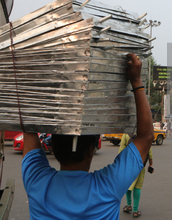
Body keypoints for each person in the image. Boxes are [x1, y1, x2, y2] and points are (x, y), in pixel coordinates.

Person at [22, 53, 154, 220]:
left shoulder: (37, 182)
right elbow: (146, 137)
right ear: (91, 150)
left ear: (53, 147)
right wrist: (136, 82)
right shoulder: (107, 187)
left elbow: (28, 126)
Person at [119, 133, 154, 218]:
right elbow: (149, 150)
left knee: (128, 185)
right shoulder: (143, 133)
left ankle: (128, 205)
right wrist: (151, 164)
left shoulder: (126, 135)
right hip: (140, 165)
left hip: (128, 164)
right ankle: (135, 210)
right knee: (137, 186)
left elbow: (121, 150)